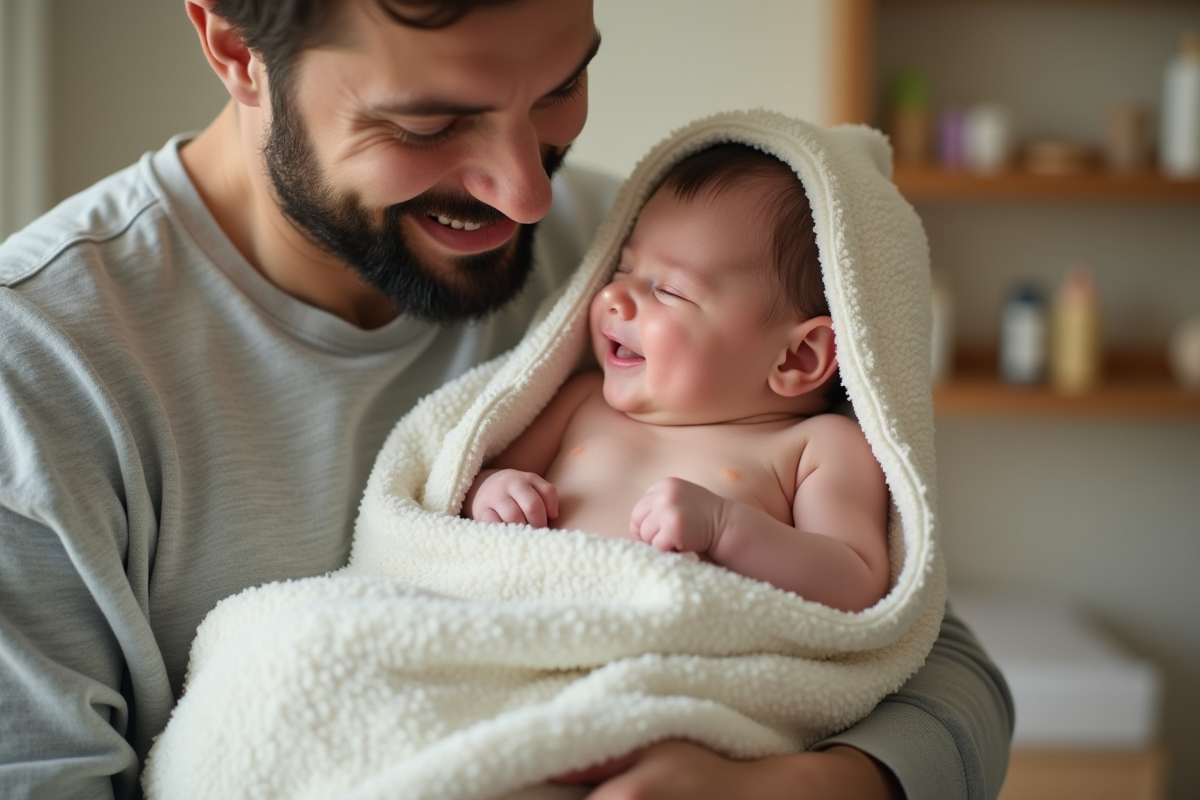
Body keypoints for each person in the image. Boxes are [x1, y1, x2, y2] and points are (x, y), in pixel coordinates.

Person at [0, 1, 1013, 798]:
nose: (524, 194)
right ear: (232, 43)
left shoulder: (624, 255)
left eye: (564, 86)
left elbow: (920, 655)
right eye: (430, 122)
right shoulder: (42, 369)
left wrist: (806, 785)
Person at [468, 143, 891, 614]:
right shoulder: (581, 400)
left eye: (669, 290)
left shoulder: (815, 446)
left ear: (797, 358)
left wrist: (726, 528)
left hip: (671, 659)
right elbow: (467, 478)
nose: (614, 295)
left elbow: (856, 581)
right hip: (527, 623)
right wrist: (493, 491)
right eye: (623, 267)